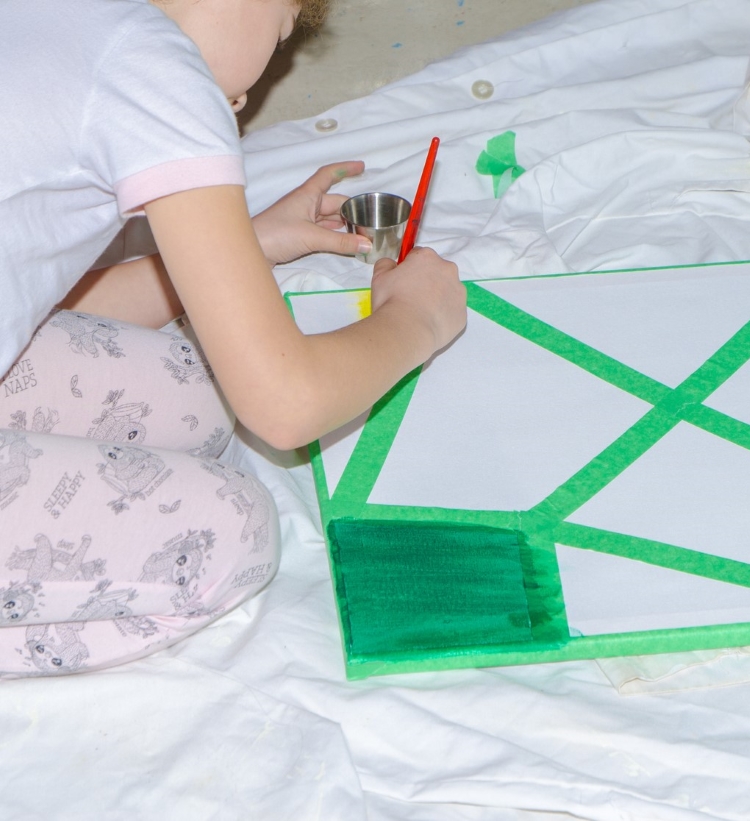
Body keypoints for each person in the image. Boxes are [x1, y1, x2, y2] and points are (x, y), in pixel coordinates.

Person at [0, 0, 466, 677]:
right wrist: (416, 320)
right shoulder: (153, 65)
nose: (248, 95)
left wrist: (242, 247)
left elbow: (31, 296)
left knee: (198, 391)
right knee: (230, 535)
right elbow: (287, 403)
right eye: (281, 30)